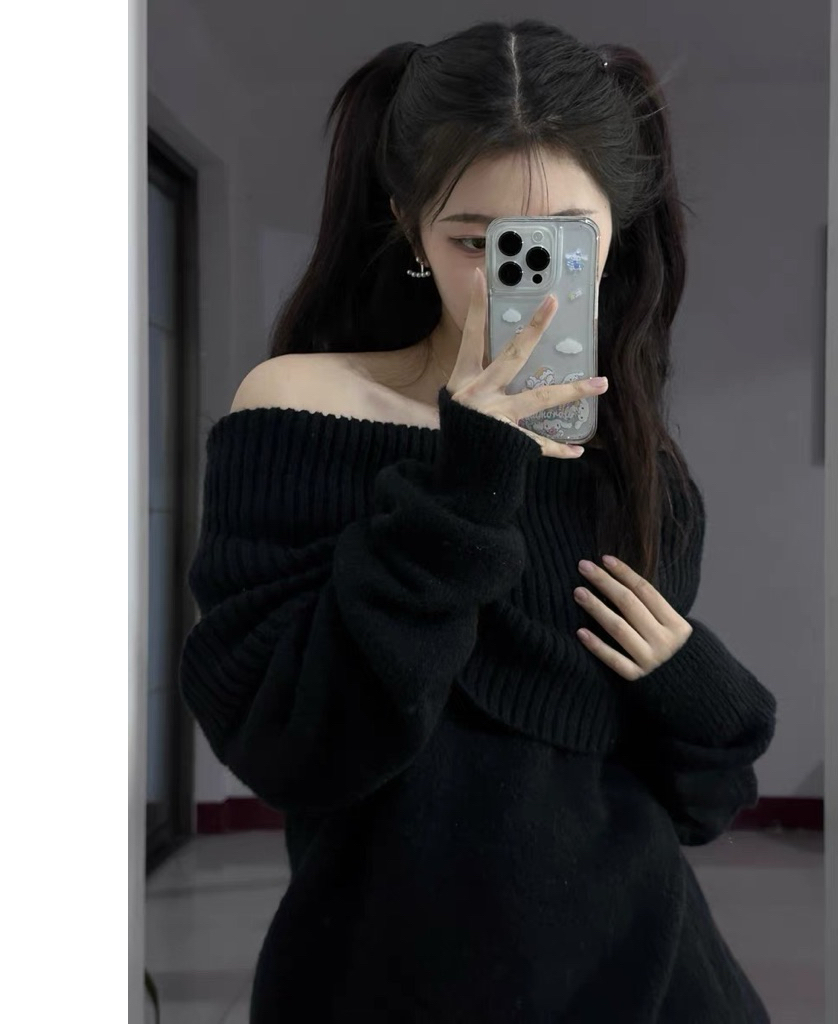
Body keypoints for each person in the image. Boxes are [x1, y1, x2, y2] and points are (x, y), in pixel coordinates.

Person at [180, 18, 778, 1023]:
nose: (519, 279)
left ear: (617, 235)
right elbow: (290, 746)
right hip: (378, 987)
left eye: (563, 241)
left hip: (648, 983)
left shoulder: (639, 472)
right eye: (475, 241)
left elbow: (699, 800)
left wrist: (693, 677)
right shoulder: (301, 406)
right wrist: (471, 475)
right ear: (407, 222)